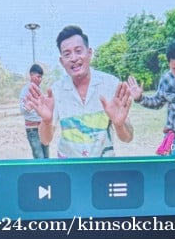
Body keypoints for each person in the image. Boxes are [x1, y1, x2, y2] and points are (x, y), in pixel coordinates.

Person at [26, 26, 133, 158]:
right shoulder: (56, 91)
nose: (74, 58)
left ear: (89, 53)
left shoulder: (110, 84)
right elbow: (45, 140)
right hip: (69, 167)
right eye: (67, 54)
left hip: (103, 166)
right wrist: (47, 121)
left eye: (78, 51)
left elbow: (128, 138)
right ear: (61, 61)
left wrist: (119, 124)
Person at [19, 64, 48, 159]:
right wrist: (27, 107)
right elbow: (22, 110)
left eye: (41, 77)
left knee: (46, 157)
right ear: (31, 75)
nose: (40, 79)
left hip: (42, 128)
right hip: (33, 129)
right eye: (38, 76)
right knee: (39, 157)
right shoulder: (26, 90)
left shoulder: (39, 90)